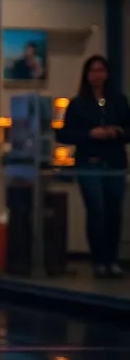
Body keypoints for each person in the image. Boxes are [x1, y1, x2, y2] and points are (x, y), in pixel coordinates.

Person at [57, 55, 130, 277]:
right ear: (87, 75)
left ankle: (112, 260)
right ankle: (98, 260)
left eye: (101, 70)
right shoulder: (77, 103)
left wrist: (117, 132)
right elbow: (64, 134)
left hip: (115, 162)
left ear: (107, 74)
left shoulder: (118, 100)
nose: (97, 75)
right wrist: (90, 133)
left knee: (114, 212)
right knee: (96, 211)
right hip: (89, 163)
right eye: (93, 71)